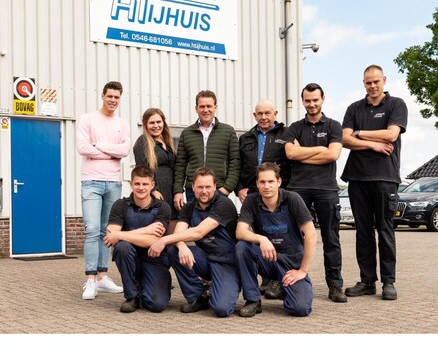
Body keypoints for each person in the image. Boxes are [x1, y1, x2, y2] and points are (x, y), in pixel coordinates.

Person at [341, 65, 408, 301]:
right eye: (368, 82)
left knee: (385, 230)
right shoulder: (354, 108)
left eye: (376, 81)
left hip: (385, 178)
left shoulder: (396, 105)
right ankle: (367, 281)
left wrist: (359, 133)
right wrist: (372, 144)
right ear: (364, 83)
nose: (372, 86)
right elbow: (344, 139)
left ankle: (388, 282)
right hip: (357, 178)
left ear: (384, 80)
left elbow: (391, 134)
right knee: (363, 232)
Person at [148, 167, 240, 317]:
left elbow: (199, 232)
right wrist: (181, 245)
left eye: (208, 187)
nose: (204, 191)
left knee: (221, 309)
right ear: (193, 187)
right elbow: (178, 233)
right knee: (174, 251)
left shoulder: (224, 204)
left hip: (226, 263)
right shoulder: (189, 207)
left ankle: (230, 285)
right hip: (204, 259)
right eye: (200, 187)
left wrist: (164, 239)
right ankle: (198, 296)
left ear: (215, 186)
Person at [284, 83, 346, 303]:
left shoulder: (334, 126)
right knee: (293, 238)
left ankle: (335, 286)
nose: (311, 104)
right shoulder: (294, 128)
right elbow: (290, 154)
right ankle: (292, 282)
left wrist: (303, 153)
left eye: (315, 100)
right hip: (298, 189)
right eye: (307, 100)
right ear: (303, 101)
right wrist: (320, 149)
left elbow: (333, 155)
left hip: (326, 189)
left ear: (323, 99)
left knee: (331, 238)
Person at [234, 162, 316, 317]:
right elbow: (240, 232)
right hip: (267, 260)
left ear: (279, 182)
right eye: (262, 182)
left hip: (291, 264)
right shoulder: (251, 201)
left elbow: (311, 234)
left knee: (299, 309)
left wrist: (302, 271)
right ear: (257, 183)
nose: (267, 186)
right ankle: (253, 300)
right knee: (242, 247)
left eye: (271, 181)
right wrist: (261, 239)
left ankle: (287, 289)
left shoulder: (292, 199)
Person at [76, 81, 131, 300]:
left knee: (107, 231)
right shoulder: (87, 119)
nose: (113, 100)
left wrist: (98, 145)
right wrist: (111, 153)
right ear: (102, 96)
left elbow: (124, 150)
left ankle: (103, 277)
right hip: (91, 182)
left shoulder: (122, 124)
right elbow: (82, 148)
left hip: (113, 182)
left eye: (116, 97)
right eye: (110, 96)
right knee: (91, 229)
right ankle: (90, 280)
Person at [104, 165, 172, 313]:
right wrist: (147, 230)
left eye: (145, 184)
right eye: (137, 184)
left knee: (156, 305)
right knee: (122, 247)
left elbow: (152, 241)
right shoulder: (120, 205)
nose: (141, 188)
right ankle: (132, 296)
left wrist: (120, 234)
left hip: (154, 259)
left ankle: (147, 285)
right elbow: (111, 237)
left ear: (152, 185)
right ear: (131, 184)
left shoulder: (162, 207)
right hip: (131, 257)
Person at [173, 90, 240, 212]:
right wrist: (178, 191)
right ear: (196, 108)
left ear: (215, 107)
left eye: (209, 106)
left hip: (218, 189)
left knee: (217, 222)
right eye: (202, 106)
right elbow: (180, 165)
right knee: (195, 221)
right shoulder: (187, 133)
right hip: (193, 190)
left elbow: (235, 162)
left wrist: (227, 188)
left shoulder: (228, 131)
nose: (205, 110)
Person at [237, 99, 291, 203]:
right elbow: (238, 165)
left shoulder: (287, 134)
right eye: (260, 114)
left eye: (267, 113)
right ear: (255, 115)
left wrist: (288, 190)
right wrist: (239, 189)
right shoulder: (245, 138)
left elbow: (294, 164)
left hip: (280, 193)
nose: (263, 117)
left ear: (275, 114)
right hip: (251, 194)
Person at [133, 108, 177, 231]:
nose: (156, 126)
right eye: (152, 123)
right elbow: (142, 171)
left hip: (171, 191)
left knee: (172, 231)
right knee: (158, 229)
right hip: (157, 192)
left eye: (158, 122)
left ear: (163, 122)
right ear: (145, 125)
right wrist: (153, 190)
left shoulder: (167, 141)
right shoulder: (143, 142)